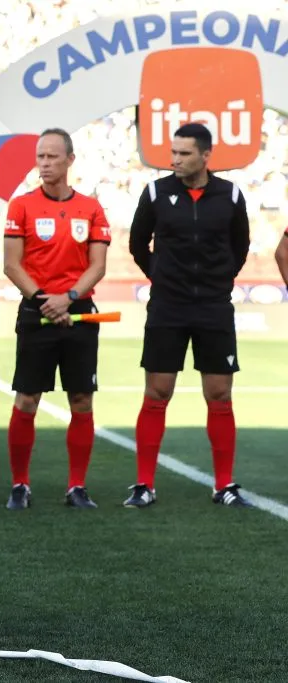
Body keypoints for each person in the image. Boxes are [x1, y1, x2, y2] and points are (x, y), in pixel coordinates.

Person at [127, 123, 252, 508]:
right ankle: (144, 485)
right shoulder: (156, 192)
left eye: (183, 154)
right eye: (174, 153)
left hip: (214, 308)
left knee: (219, 395)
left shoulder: (230, 195)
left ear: (205, 156)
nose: (175, 160)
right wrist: (163, 279)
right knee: (157, 392)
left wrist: (217, 281)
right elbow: (137, 244)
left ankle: (224, 486)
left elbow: (239, 247)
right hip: (167, 307)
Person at [2, 128, 111, 510]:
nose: (44, 164)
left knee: (81, 399)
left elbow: (97, 266)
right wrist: (45, 300)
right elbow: (12, 265)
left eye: (51, 157)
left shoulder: (92, 208)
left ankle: (76, 487)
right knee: (27, 398)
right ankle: (20, 485)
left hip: (79, 311)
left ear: (70, 160)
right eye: (40, 157)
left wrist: (69, 298)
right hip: (37, 309)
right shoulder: (21, 206)